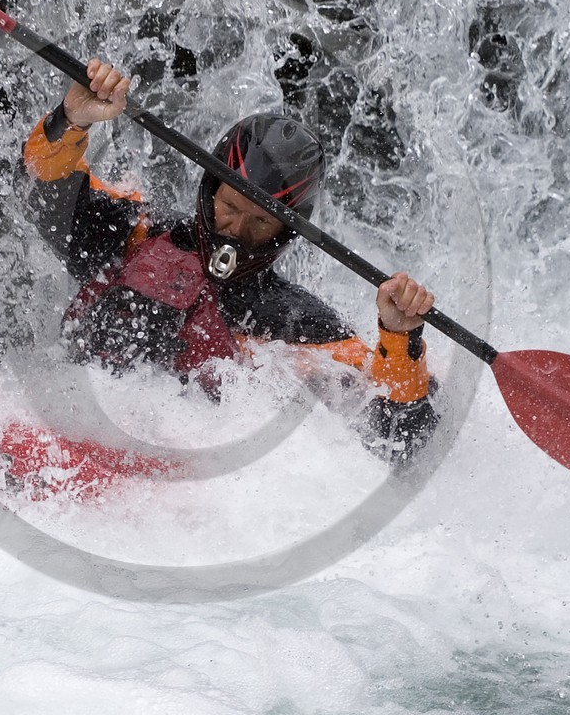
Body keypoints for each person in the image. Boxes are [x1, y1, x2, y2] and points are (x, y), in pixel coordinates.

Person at [22, 59, 438, 459]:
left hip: (178, 486)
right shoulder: (140, 234)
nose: (237, 231)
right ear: (210, 190)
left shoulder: (295, 322)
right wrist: (70, 120)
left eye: (260, 221)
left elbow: (397, 436)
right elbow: (47, 199)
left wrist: (399, 337)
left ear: (286, 232)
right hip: (70, 421)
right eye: (230, 207)